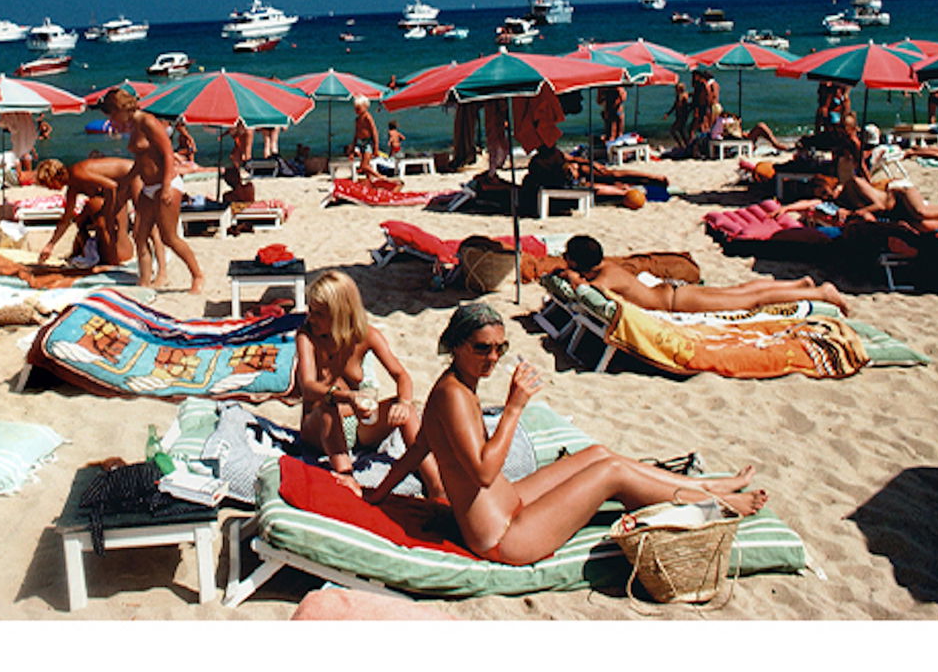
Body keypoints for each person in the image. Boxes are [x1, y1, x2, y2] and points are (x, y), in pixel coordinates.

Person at [365, 303, 767, 565]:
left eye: (499, 350)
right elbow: (484, 473)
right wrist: (514, 407)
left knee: (597, 454)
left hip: (511, 505)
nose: (491, 359)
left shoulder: (452, 384)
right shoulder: (453, 396)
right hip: (504, 538)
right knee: (612, 475)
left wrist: (379, 495)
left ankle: (713, 488)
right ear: (454, 345)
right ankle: (717, 505)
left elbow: (419, 447)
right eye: (481, 348)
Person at [297, 271, 443, 499]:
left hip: (359, 425)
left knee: (407, 410)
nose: (310, 318)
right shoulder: (307, 336)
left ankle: (435, 484)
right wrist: (348, 397)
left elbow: (401, 375)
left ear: (340, 314)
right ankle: (347, 476)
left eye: (318, 313)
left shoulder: (366, 336)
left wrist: (403, 403)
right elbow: (307, 386)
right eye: (310, 310)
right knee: (327, 407)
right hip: (319, 428)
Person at [562, 234, 849, 314]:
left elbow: (581, 289)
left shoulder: (603, 278)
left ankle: (819, 293)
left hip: (680, 302)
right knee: (742, 291)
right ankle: (801, 283)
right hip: (676, 293)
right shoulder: (609, 267)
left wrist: (570, 275)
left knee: (749, 299)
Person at [99, 88, 204, 293]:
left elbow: (167, 154)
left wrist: (165, 186)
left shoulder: (148, 121)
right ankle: (144, 282)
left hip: (167, 183)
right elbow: (141, 161)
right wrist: (126, 182)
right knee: (139, 235)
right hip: (148, 186)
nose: (111, 119)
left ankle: (197, 275)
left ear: (120, 109)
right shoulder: (134, 125)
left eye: (111, 114)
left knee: (169, 237)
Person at [34, 156, 137, 265]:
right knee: (85, 216)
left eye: (48, 185)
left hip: (135, 176)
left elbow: (112, 186)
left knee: (97, 212)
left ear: (52, 179)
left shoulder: (77, 173)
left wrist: (109, 217)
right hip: (121, 189)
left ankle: (113, 260)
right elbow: (66, 219)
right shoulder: (73, 187)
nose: (50, 189)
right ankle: (108, 255)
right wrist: (50, 246)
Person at [349, 96, 394, 186]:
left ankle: (380, 177)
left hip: (368, 143)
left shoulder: (367, 117)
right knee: (365, 168)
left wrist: (376, 147)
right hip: (360, 143)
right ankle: (370, 182)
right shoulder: (357, 120)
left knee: (364, 166)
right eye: (355, 108)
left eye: (358, 108)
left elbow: (374, 132)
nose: (356, 110)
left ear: (365, 107)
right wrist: (352, 148)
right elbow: (356, 134)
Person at [666, 82, 694, 148]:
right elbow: (675, 106)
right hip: (680, 115)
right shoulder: (679, 95)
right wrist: (668, 113)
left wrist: (689, 110)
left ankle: (682, 145)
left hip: (682, 115)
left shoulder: (683, 96)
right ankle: (685, 144)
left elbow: (686, 105)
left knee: (674, 130)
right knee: (681, 130)